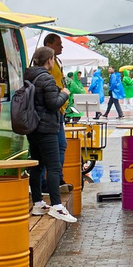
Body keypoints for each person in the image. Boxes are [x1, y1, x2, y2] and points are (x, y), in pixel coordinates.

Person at [26, 42, 78, 224]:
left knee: (37, 165)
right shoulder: (46, 79)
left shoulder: (29, 76)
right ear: (50, 60)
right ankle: (56, 206)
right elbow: (53, 103)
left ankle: (39, 202)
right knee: (54, 167)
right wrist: (64, 93)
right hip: (47, 128)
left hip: (32, 127)